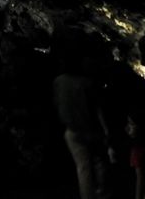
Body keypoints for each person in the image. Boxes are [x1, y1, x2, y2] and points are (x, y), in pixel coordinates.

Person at [54, 52, 113, 199]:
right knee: (99, 161)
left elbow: (57, 103)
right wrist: (106, 130)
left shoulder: (59, 81)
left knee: (83, 167)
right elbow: (97, 108)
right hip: (91, 129)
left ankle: (87, 196)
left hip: (71, 130)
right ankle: (102, 192)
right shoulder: (87, 82)